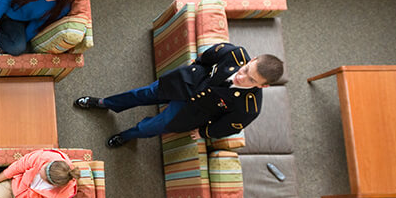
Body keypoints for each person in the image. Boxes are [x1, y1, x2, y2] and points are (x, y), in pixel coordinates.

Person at [74, 43, 284, 148]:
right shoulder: (234, 54)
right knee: (141, 94)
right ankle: (104, 103)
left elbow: (227, 127)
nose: (241, 77)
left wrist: (204, 132)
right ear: (252, 59)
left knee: (149, 127)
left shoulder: (249, 108)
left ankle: (127, 136)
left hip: (190, 112)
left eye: (251, 80)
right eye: (247, 69)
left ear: (263, 86)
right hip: (183, 83)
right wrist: (194, 69)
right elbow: (207, 57)